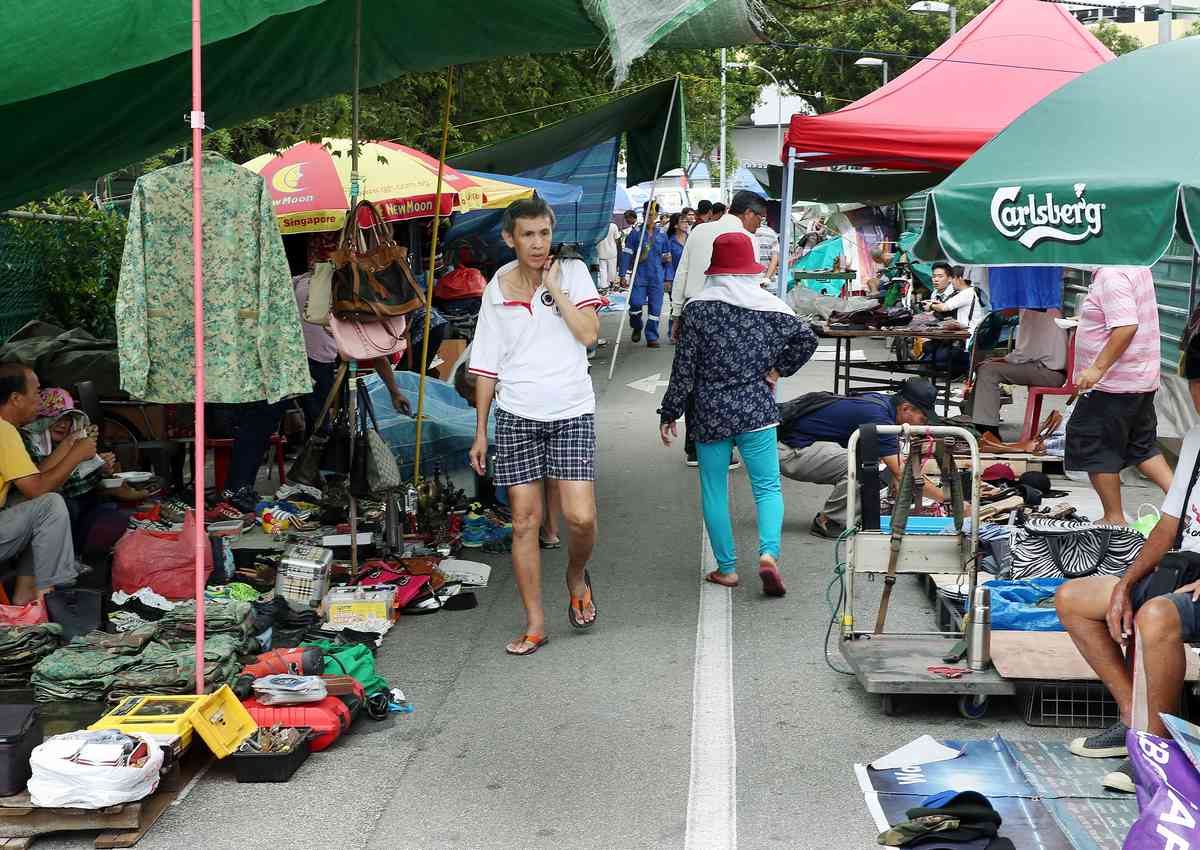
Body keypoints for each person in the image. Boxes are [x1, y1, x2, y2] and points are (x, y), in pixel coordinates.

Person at [1055, 336, 1200, 793]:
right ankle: (1133, 717)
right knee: (1074, 599)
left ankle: (1157, 752)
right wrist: (1126, 582)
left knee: (1155, 615)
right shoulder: (1196, 439)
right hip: (1187, 567)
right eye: (1195, 388)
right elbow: (1168, 524)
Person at [468, 197, 603, 656]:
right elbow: (486, 366)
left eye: (544, 233)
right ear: (510, 238)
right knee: (525, 522)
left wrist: (554, 289)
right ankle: (535, 622)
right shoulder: (496, 287)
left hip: (571, 410)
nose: (538, 243)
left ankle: (576, 575)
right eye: (528, 234)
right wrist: (481, 430)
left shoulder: (573, 273)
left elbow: (589, 334)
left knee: (580, 517)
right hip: (516, 415)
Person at [659, 233, 818, 593]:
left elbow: (684, 369)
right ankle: (769, 554)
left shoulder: (697, 310)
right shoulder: (771, 308)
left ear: (714, 270)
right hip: (756, 409)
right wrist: (777, 370)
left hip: (710, 413)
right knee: (767, 487)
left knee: (714, 489)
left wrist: (670, 412)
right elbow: (807, 339)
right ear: (750, 269)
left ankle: (727, 569)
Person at [778, 378, 947, 539]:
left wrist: (897, 475)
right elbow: (903, 473)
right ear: (905, 408)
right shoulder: (878, 416)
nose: (923, 425)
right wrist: (948, 498)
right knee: (863, 466)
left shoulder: (884, 404)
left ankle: (844, 515)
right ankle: (829, 521)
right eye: (922, 419)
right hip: (789, 451)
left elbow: (895, 464)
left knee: (878, 466)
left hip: (799, 444)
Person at [1067, 266, 1171, 525]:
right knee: (1142, 447)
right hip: (1138, 379)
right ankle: (1186, 508)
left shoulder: (1112, 275)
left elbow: (1126, 326)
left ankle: (1113, 517)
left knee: (1093, 445)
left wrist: (1096, 369)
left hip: (1113, 384)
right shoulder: (1137, 267)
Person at [0, 364, 89, 604]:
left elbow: (34, 479)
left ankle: (26, 595)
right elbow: (37, 488)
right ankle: (50, 598)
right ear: (16, 398)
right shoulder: (3, 431)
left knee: (32, 503)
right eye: (37, 392)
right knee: (50, 505)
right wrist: (76, 455)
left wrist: (68, 446)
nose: (40, 401)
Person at [958, 308, 1068, 432]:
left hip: (1049, 373)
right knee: (986, 367)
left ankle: (987, 429)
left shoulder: (1031, 313)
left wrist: (1000, 360)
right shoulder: (1044, 310)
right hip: (1048, 369)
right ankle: (971, 421)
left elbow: (1023, 354)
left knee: (987, 371)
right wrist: (1000, 360)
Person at [619, 202, 671, 348]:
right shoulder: (636, 234)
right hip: (639, 276)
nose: (649, 217)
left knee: (655, 309)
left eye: (652, 214)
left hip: (657, 277)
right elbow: (627, 254)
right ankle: (637, 326)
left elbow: (668, 257)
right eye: (646, 214)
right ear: (643, 214)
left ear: (656, 215)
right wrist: (623, 275)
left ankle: (652, 337)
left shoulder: (662, 235)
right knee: (635, 304)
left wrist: (668, 277)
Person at [753, 216, 781, 283]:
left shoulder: (748, 231)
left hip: (751, 277)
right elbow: (775, 258)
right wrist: (766, 278)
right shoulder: (772, 233)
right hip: (767, 277)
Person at [596, 219, 620, 292]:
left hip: (601, 252)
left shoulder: (597, 227)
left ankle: (604, 287)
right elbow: (617, 239)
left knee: (602, 270)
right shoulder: (613, 226)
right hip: (612, 253)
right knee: (612, 270)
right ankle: (611, 284)